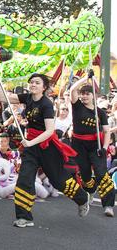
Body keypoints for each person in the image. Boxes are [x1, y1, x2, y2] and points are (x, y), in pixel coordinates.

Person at [0, 73, 91, 228]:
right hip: (31, 147)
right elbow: (3, 97)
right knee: (24, 180)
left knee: (58, 181)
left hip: (47, 147)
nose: (33, 85)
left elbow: (49, 131)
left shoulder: (46, 104)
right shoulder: (26, 98)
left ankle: (82, 198)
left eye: (37, 83)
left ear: (44, 87)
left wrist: (31, 141)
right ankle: (24, 217)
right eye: (31, 82)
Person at [69, 73, 115, 217]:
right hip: (78, 145)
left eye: (87, 93)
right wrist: (86, 78)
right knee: (85, 174)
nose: (84, 96)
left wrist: (105, 147)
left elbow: (107, 132)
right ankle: (89, 191)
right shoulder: (77, 106)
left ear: (93, 96)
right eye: (82, 93)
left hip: (95, 146)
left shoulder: (100, 113)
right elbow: (72, 91)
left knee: (102, 173)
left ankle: (108, 205)